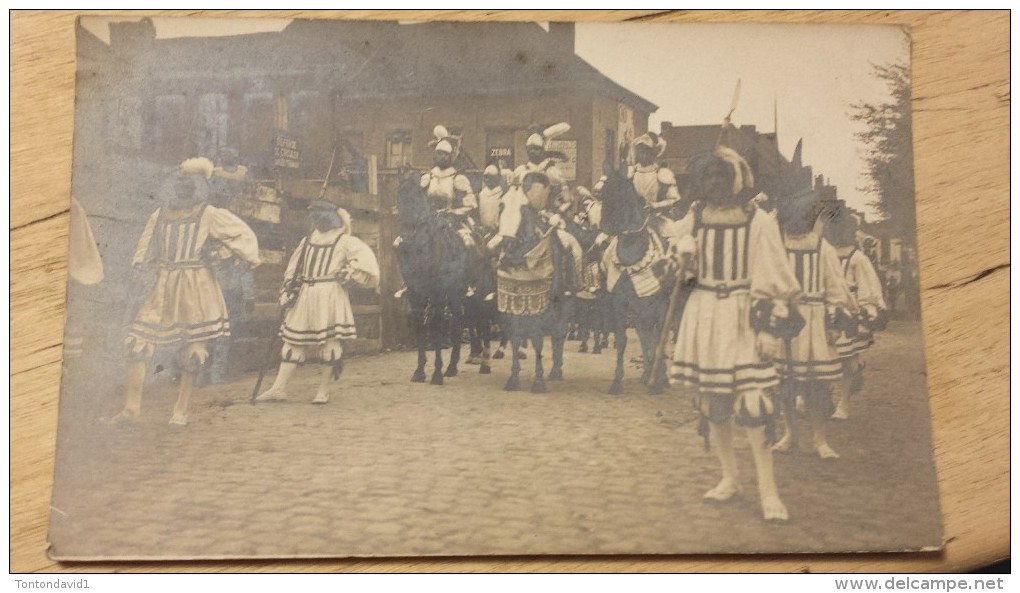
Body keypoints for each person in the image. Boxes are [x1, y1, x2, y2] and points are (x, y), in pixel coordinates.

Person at [669, 146, 801, 522]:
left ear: (737, 179)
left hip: (745, 313)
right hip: (706, 313)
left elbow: (773, 275)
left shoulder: (757, 221)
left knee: (756, 402)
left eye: (722, 177)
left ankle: (768, 491)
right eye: (707, 177)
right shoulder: (694, 219)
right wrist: (683, 257)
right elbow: (682, 278)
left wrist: (768, 326)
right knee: (714, 402)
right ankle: (730, 478)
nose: (714, 183)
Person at [105, 157, 260, 426]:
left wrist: (224, 254)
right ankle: (132, 409)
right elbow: (144, 248)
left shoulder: (208, 214)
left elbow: (243, 236)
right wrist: (139, 268)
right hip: (162, 283)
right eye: (179, 185)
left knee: (193, 348)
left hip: (195, 285)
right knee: (137, 343)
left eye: (189, 187)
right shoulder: (160, 214)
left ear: (200, 188)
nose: (182, 191)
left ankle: (181, 409)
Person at [256, 201, 379, 405]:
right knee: (293, 341)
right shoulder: (307, 241)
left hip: (330, 294)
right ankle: (279, 388)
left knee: (329, 343)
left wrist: (348, 273)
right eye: (315, 216)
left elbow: (367, 264)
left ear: (333, 218)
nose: (318, 220)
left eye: (322, 215)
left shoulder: (344, 241)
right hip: (306, 293)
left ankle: (323, 390)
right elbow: (294, 268)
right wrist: (288, 289)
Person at [772, 192, 856, 459]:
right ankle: (789, 434)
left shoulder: (822, 248)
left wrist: (834, 319)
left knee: (816, 386)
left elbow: (834, 287)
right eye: (792, 215)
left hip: (815, 324)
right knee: (785, 383)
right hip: (786, 320)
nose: (797, 221)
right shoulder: (777, 246)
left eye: (803, 215)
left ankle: (819, 439)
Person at [824, 205, 887, 419]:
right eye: (835, 228)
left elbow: (868, 287)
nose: (839, 233)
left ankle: (843, 404)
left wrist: (866, 314)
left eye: (843, 228)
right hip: (828, 312)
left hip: (848, 314)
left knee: (847, 359)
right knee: (824, 356)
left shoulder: (858, 258)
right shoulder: (825, 253)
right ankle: (824, 399)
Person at [628, 132, 682, 237]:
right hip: (632, 221)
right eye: (641, 151)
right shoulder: (631, 174)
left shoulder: (662, 174)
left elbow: (673, 199)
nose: (643, 154)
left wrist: (656, 206)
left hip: (656, 221)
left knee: (668, 245)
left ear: (654, 154)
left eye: (647, 151)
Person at [511, 123, 570, 201]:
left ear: (542, 150)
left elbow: (565, 195)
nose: (532, 152)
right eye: (530, 149)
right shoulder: (521, 170)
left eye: (536, 149)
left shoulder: (551, 170)